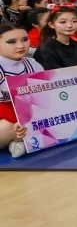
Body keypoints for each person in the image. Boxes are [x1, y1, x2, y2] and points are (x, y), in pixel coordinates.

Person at [0, 22, 41, 157]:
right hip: (7, 116)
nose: (21, 46)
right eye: (11, 42)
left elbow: (45, 96)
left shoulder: (33, 64)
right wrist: (20, 120)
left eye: (24, 39)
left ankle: (21, 140)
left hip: (29, 113)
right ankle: (22, 139)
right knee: (6, 128)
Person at [34, 5, 77, 69]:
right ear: (51, 24)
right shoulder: (45, 49)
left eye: (74, 21)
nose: (69, 25)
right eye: (63, 22)